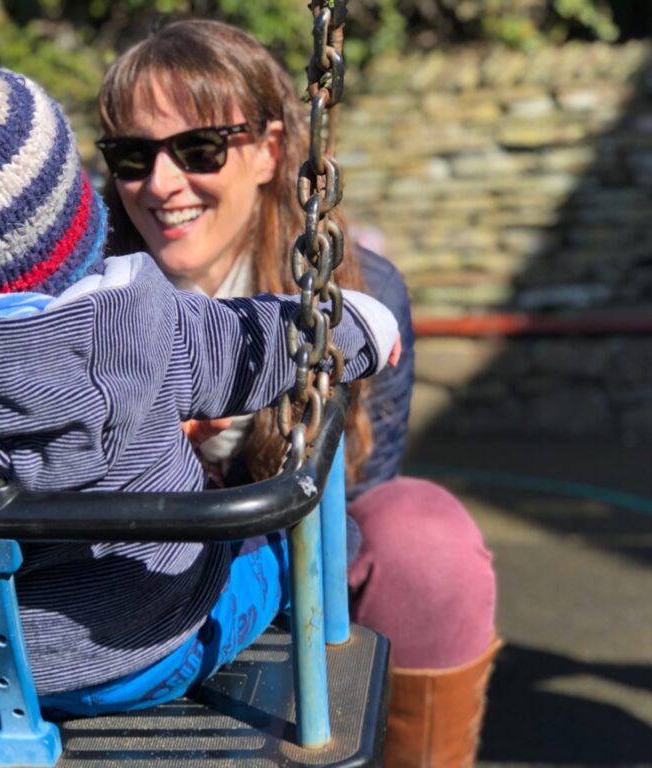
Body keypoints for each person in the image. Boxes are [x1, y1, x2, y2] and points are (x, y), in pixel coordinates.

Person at [0, 39, 401, 716]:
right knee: (274, 545)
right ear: (75, 221)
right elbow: (262, 340)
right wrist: (356, 323)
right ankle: (301, 566)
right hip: (159, 647)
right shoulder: (147, 322)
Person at [96, 18, 500, 767]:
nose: (160, 184)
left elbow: (362, 488)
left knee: (423, 538)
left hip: (287, 563)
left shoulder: (354, 296)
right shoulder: (81, 294)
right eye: (131, 156)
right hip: (117, 585)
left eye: (198, 148)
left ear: (270, 150)